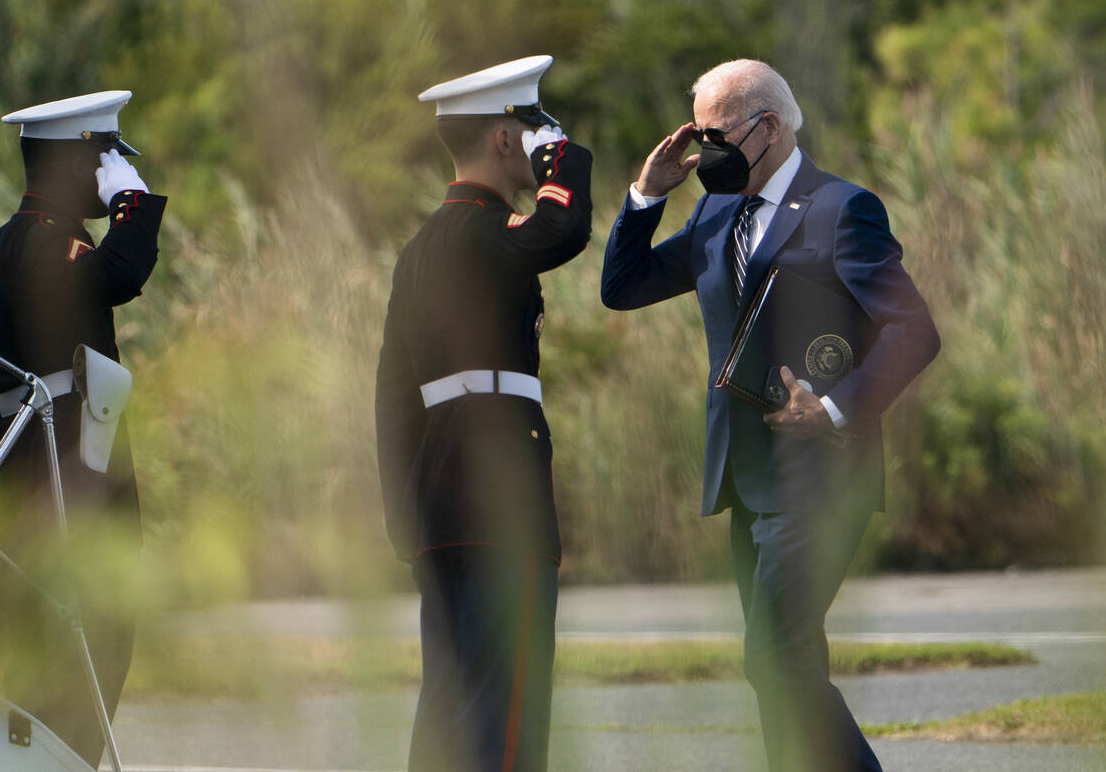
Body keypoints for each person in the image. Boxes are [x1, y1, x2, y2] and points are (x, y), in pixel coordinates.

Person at [600, 59, 940, 771]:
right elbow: (623, 288)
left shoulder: (842, 208)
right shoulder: (714, 212)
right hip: (748, 481)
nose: (705, 155)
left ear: (770, 127)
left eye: (717, 137)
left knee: (774, 660)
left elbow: (913, 330)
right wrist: (644, 195)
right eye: (698, 137)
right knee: (785, 669)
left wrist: (838, 406)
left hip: (822, 477)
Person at [375, 55, 593, 772]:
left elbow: (391, 398)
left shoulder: (420, 249)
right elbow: (560, 233)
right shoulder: (483, 233)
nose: (538, 143)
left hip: (438, 505)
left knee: (451, 701)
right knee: (507, 705)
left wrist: (406, 517)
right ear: (506, 140)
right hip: (499, 497)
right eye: (530, 127)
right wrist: (567, 159)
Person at [0, 90, 165, 766]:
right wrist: (135, 206)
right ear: (81, 161)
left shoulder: (11, 246)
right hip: (62, 507)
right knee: (76, 670)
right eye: (108, 155)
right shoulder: (39, 246)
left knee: (74, 676)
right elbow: (122, 273)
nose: (116, 172)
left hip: (46, 499)